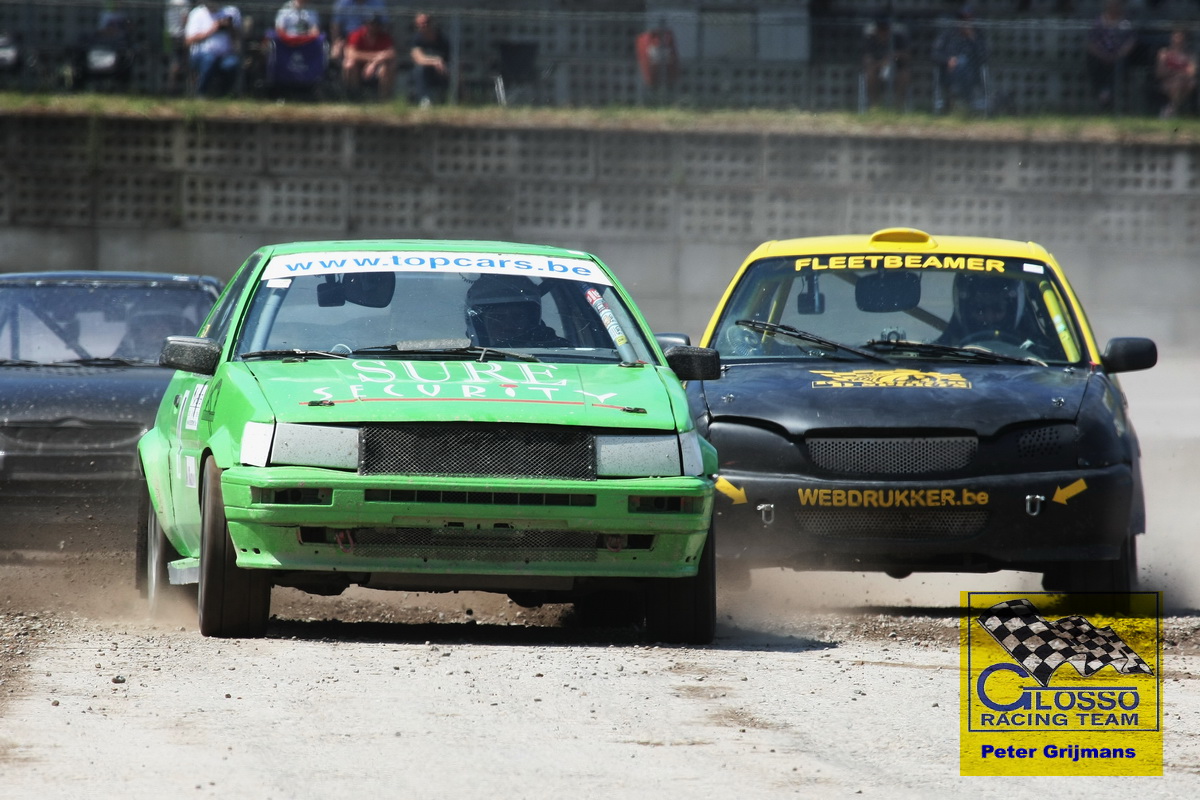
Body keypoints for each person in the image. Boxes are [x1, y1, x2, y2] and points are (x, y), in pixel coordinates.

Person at [939, 273, 1044, 349]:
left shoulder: (1037, 355)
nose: (989, 318)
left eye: (997, 309)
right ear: (966, 312)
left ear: (1011, 311)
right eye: (980, 310)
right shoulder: (941, 350)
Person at [465, 275, 566, 349]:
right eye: (498, 318)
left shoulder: (561, 351)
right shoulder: (460, 355)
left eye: (517, 317)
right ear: (480, 323)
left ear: (531, 321)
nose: (508, 326)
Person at [931, 7, 988, 114]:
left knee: (963, 62)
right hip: (948, 73)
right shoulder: (947, 35)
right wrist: (948, 60)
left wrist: (972, 39)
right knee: (960, 63)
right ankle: (959, 101)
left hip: (973, 74)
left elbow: (984, 57)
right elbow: (935, 54)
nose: (965, 23)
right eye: (962, 19)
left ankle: (959, 99)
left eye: (969, 19)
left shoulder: (978, 35)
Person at [1086, 0, 1137, 111]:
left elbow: (1131, 42)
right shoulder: (1098, 22)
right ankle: (1100, 93)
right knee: (1092, 63)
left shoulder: (1125, 23)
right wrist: (1102, 55)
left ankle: (1108, 94)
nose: (1113, 7)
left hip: (1119, 57)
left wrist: (1118, 55)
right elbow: (1090, 43)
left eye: (1116, 5)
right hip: (1100, 57)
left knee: (1120, 66)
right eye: (1111, 5)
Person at [185, 1, 242, 98]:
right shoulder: (197, 13)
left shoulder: (230, 12)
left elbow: (238, 37)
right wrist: (213, 29)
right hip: (201, 55)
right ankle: (201, 93)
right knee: (209, 59)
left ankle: (224, 94)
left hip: (225, 55)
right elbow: (189, 40)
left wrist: (230, 27)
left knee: (232, 63)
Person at [862, 15, 911, 110]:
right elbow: (867, 59)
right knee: (869, 75)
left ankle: (898, 106)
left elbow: (907, 56)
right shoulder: (870, 38)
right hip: (877, 68)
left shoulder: (898, 37)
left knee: (905, 76)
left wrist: (894, 56)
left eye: (885, 29)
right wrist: (881, 63)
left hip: (897, 68)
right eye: (881, 30)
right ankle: (875, 105)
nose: (883, 32)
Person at [342, 14, 396, 101]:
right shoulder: (356, 35)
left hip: (377, 67)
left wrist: (373, 64)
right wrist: (376, 56)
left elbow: (390, 54)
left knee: (388, 67)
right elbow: (351, 54)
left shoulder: (384, 37)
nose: (372, 27)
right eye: (369, 24)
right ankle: (354, 97)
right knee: (349, 64)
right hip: (359, 66)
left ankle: (383, 99)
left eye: (375, 24)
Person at [409, 12, 450, 107]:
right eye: (420, 24)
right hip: (425, 72)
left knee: (452, 70)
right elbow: (418, 59)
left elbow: (451, 58)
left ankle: (451, 99)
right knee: (420, 69)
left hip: (442, 71)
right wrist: (435, 61)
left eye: (426, 23)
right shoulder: (416, 39)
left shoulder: (443, 39)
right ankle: (425, 100)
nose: (423, 26)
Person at [1155, 27, 1196, 118]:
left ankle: (1171, 108)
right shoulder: (1164, 53)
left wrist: (1179, 74)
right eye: (1176, 37)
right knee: (1176, 84)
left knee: (1191, 83)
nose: (1179, 40)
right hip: (1167, 81)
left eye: (1181, 37)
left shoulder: (1189, 54)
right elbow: (1160, 72)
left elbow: (1191, 72)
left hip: (1184, 81)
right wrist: (1176, 73)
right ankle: (1175, 109)